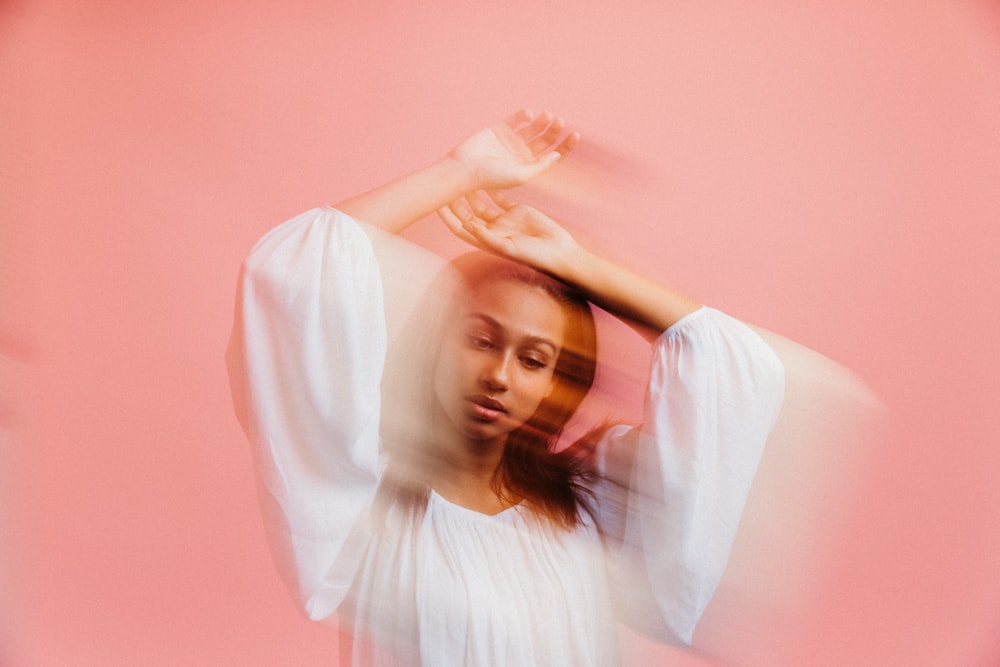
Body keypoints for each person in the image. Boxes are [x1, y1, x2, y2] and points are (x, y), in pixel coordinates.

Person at [226, 111, 786, 666]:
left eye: (534, 359)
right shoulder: (365, 502)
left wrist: (575, 264)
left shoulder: (594, 508)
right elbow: (292, 278)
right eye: (481, 340)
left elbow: (730, 367)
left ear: (556, 381)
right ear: (437, 342)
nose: (499, 375)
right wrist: (457, 172)